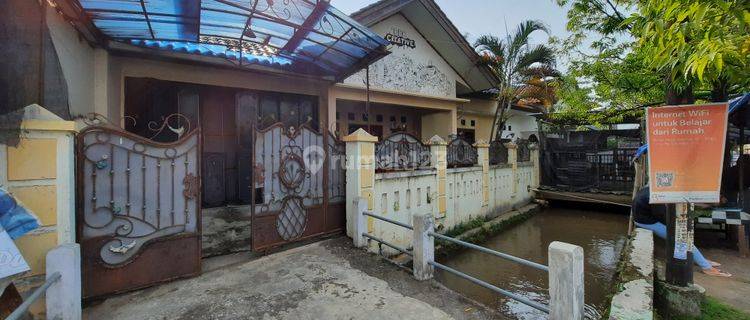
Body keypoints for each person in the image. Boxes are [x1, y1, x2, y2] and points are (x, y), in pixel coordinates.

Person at [632, 187, 731, 277]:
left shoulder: (656, 190)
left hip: (646, 218)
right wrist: (679, 227)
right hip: (646, 222)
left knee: (682, 235)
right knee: (683, 238)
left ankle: (701, 260)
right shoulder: (657, 197)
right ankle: (706, 267)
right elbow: (664, 218)